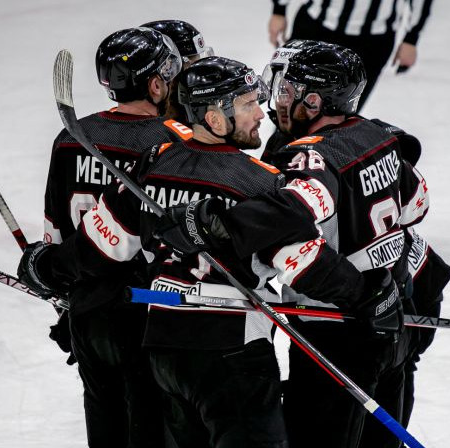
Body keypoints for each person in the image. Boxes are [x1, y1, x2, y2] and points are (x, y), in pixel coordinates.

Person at [20, 55, 397, 448]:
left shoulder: (153, 164)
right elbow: (304, 263)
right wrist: (366, 293)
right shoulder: (259, 182)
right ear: (215, 119)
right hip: (231, 356)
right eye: (248, 105)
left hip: (164, 354)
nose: (260, 115)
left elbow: (103, 245)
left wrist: (45, 267)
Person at [188, 41, 441, 448]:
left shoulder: (310, 157)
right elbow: (417, 205)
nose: (275, 103)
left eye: (286, 91)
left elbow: (294, 212)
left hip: (336, 333)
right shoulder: (375, 133)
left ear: (314, 100)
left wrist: (224, 225)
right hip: (395, 321)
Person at [36, 26, 192, 448]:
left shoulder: (71, 138)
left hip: (89, 311)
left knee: (103, 426)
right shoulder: (175, 143)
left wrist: (69, 304)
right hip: (150, 314)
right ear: (158, 83)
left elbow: (55, 237)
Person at [267, 0, 434, 109]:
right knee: (291, 106)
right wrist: (279, 10)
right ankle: (279, 160)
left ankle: (323, 162)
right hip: (317, 26)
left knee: (342, 114)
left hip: (372, 40)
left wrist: (412, 38)